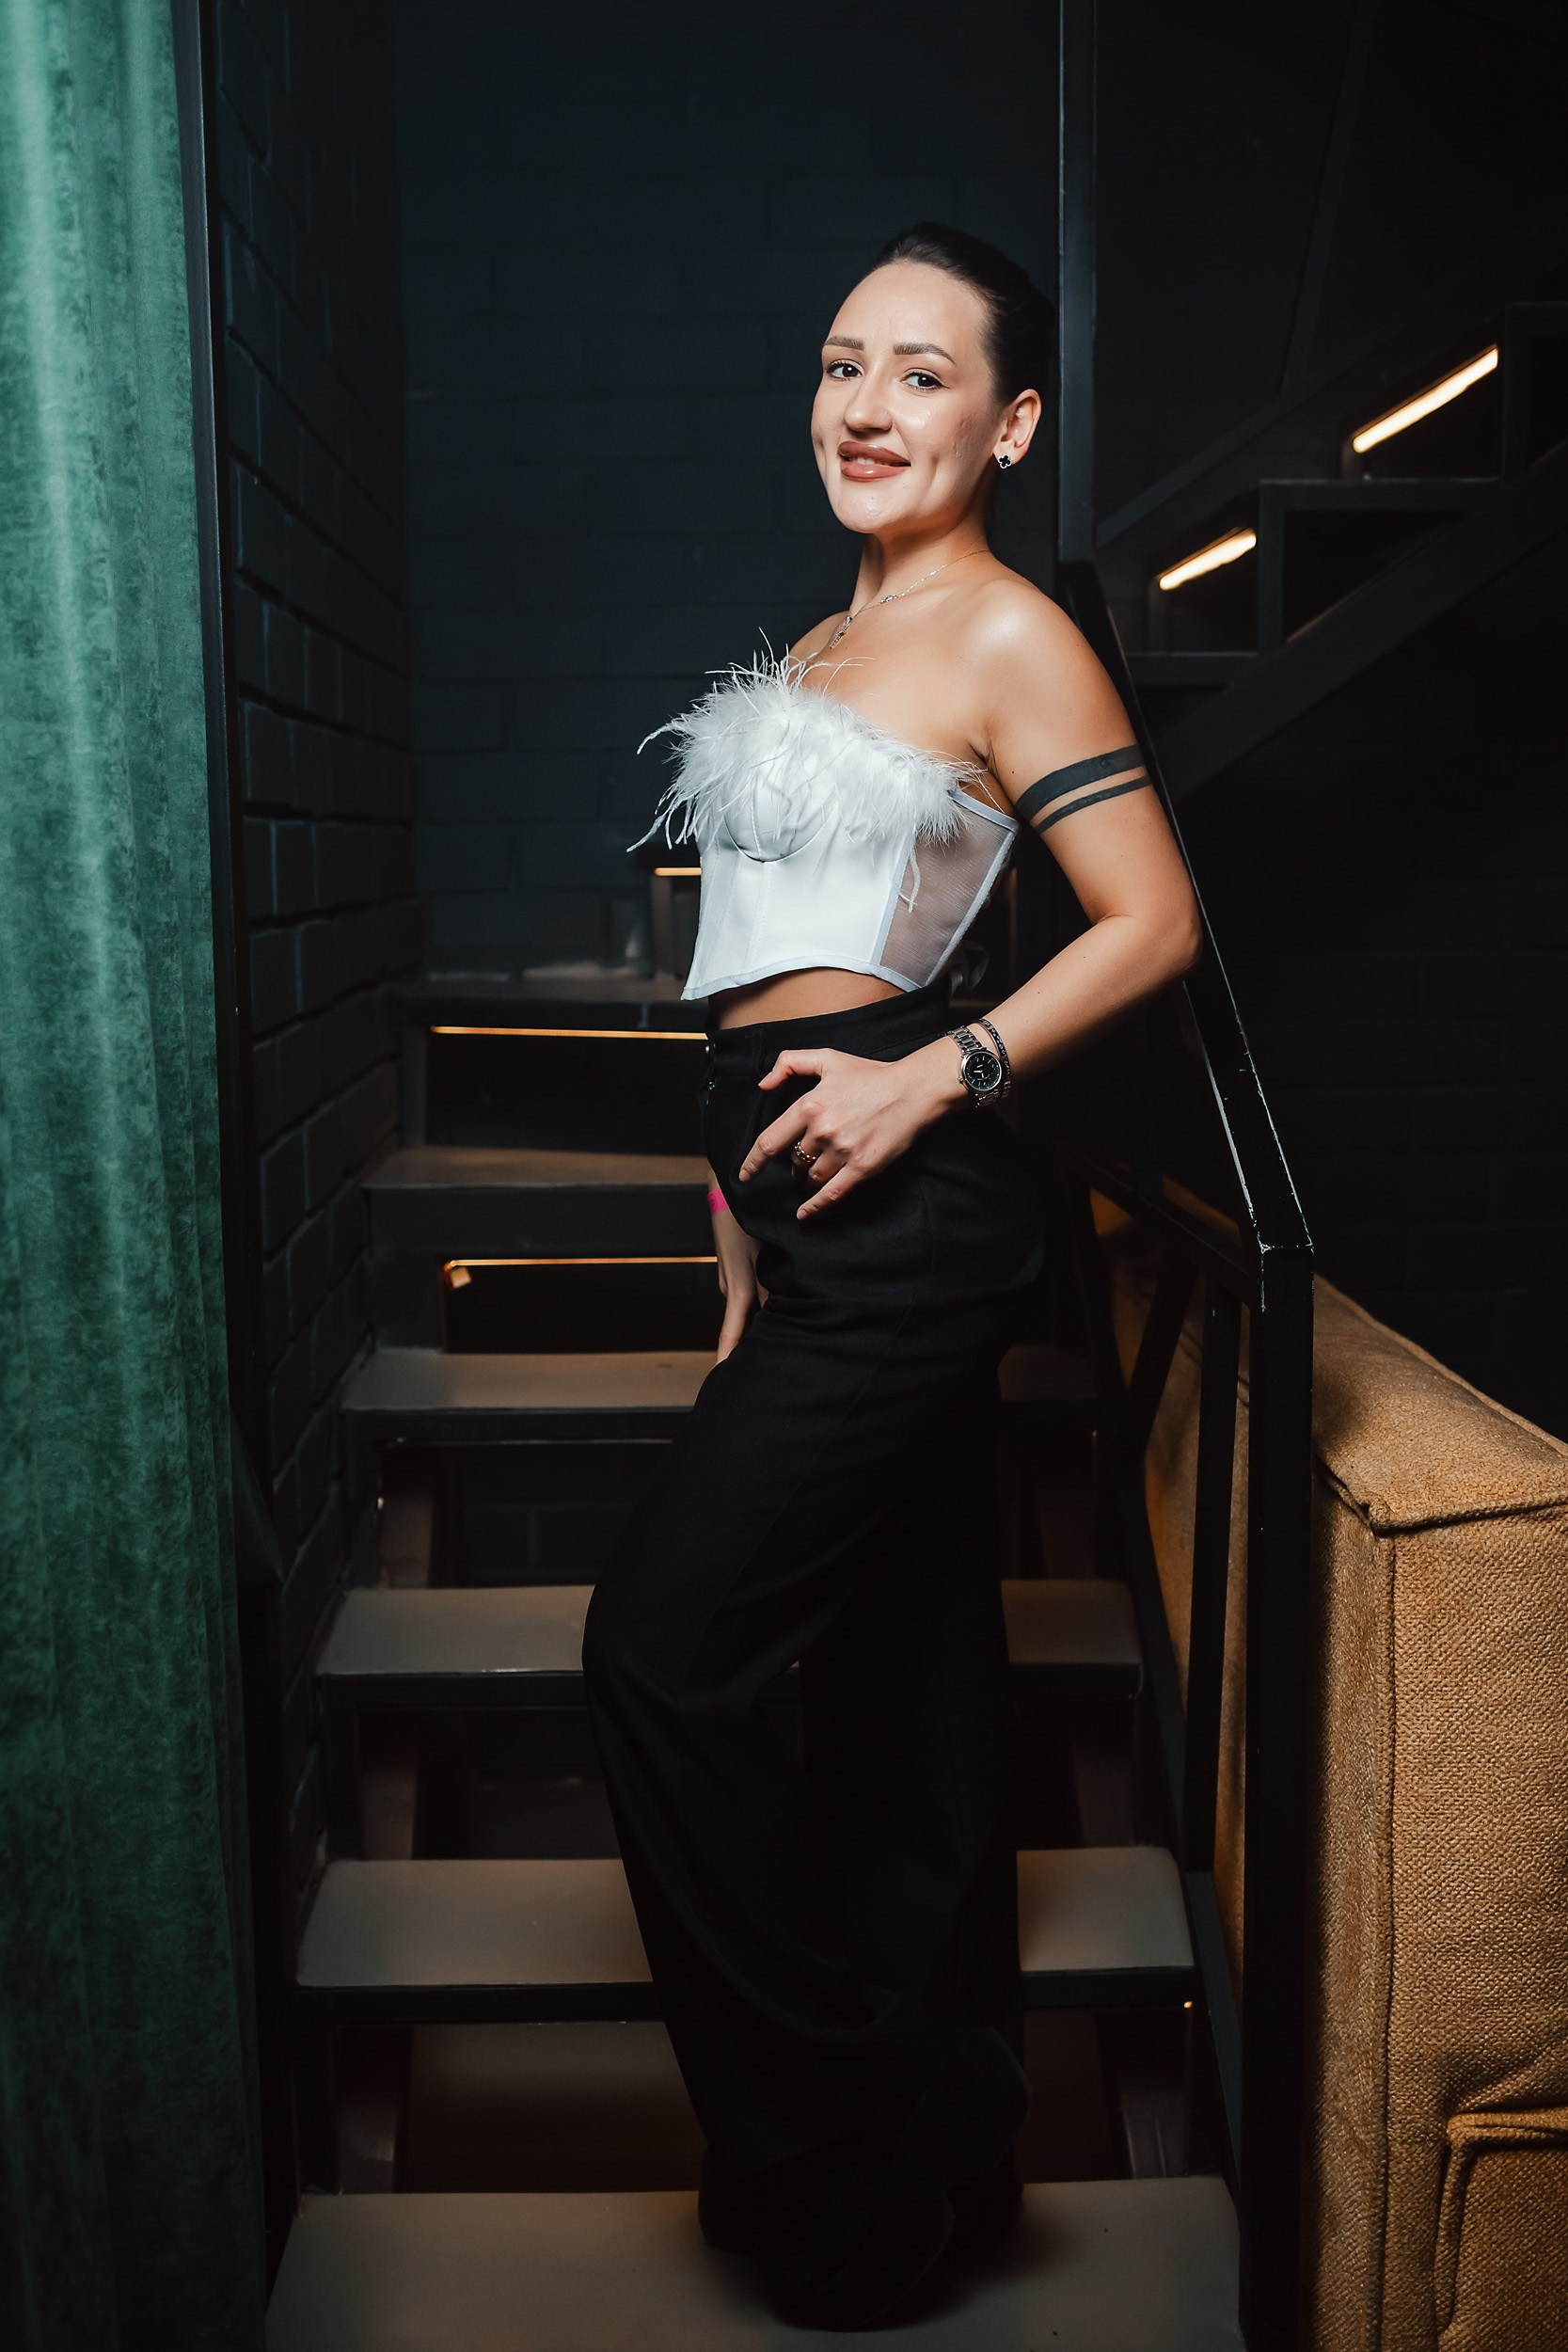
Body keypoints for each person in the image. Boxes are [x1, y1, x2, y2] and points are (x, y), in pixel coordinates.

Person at [582, 223, 1201, 2330]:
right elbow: (751, 965)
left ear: (1008, 425)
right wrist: (736, 1226)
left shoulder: (1013, 634)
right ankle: (936, 2171)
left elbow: (1151, 918)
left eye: (922, 373)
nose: (865, 403)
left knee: (661, 1650)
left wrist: (941, 1074)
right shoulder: (837, 645)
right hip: (803, 1196)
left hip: (918, 1202)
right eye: (845, 361)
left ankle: (857, 2125)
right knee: (908, 1689)